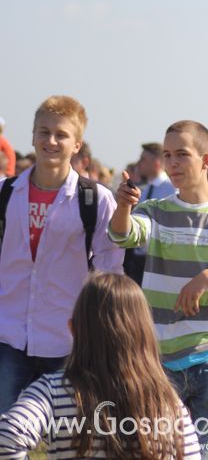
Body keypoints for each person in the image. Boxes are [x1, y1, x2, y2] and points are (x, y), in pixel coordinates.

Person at [109, 120, 208, 459]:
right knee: (160, 452)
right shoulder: (155, 211)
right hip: (159, 360)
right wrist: (123, 205)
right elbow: (122, 235)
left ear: (205, 160)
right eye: (167, 155)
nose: (172, 164)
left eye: (182, 154)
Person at [0, 96, 124, 413]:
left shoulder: (95, 199)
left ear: (77, 144)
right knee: (4, 435)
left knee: (68, 438)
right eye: (43, 132)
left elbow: (111, 271)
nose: (51, 141)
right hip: (8, 334)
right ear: (32, 136)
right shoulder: (5, 193)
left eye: (61, 134)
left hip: (68, 338)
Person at [0, 272, 201, 459]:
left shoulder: (52, 392)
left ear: (73, 329)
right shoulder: (165, 402)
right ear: (145, 334)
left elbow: (7, 438)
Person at [123, 142, 177, 284]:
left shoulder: (171, 189)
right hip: (139, 260)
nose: (139, 164)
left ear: (157, 163)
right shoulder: (146, 190)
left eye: (143, 159)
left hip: (158, 260)